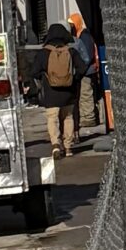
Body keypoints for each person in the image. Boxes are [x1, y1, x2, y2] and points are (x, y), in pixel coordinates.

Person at [35, 21, 82, 159]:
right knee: (68, 117)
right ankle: (68, 148)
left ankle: (56, 144)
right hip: (68, 92)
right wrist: (73, 79)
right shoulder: (71, 51)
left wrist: (45, 79)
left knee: (52, 118)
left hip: (51, 93)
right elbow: (82, 68)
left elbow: (34, 72)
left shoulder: (43, 53)